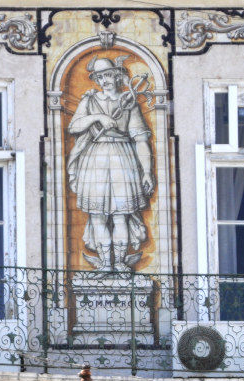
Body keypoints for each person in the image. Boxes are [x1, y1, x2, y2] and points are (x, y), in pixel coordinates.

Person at [67, 55, 155, 273]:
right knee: (97, 216)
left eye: (107, 75)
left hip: (122, 158)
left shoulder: (129, 102)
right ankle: (106, 264)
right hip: (95, 158)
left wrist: (147, 172)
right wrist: (97, 118)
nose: (103, 80)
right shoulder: (89, 100)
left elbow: (140, 139)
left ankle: (120, 263)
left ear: (117, 76)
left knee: (120, 216)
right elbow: (74, 127)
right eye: (99, 77)